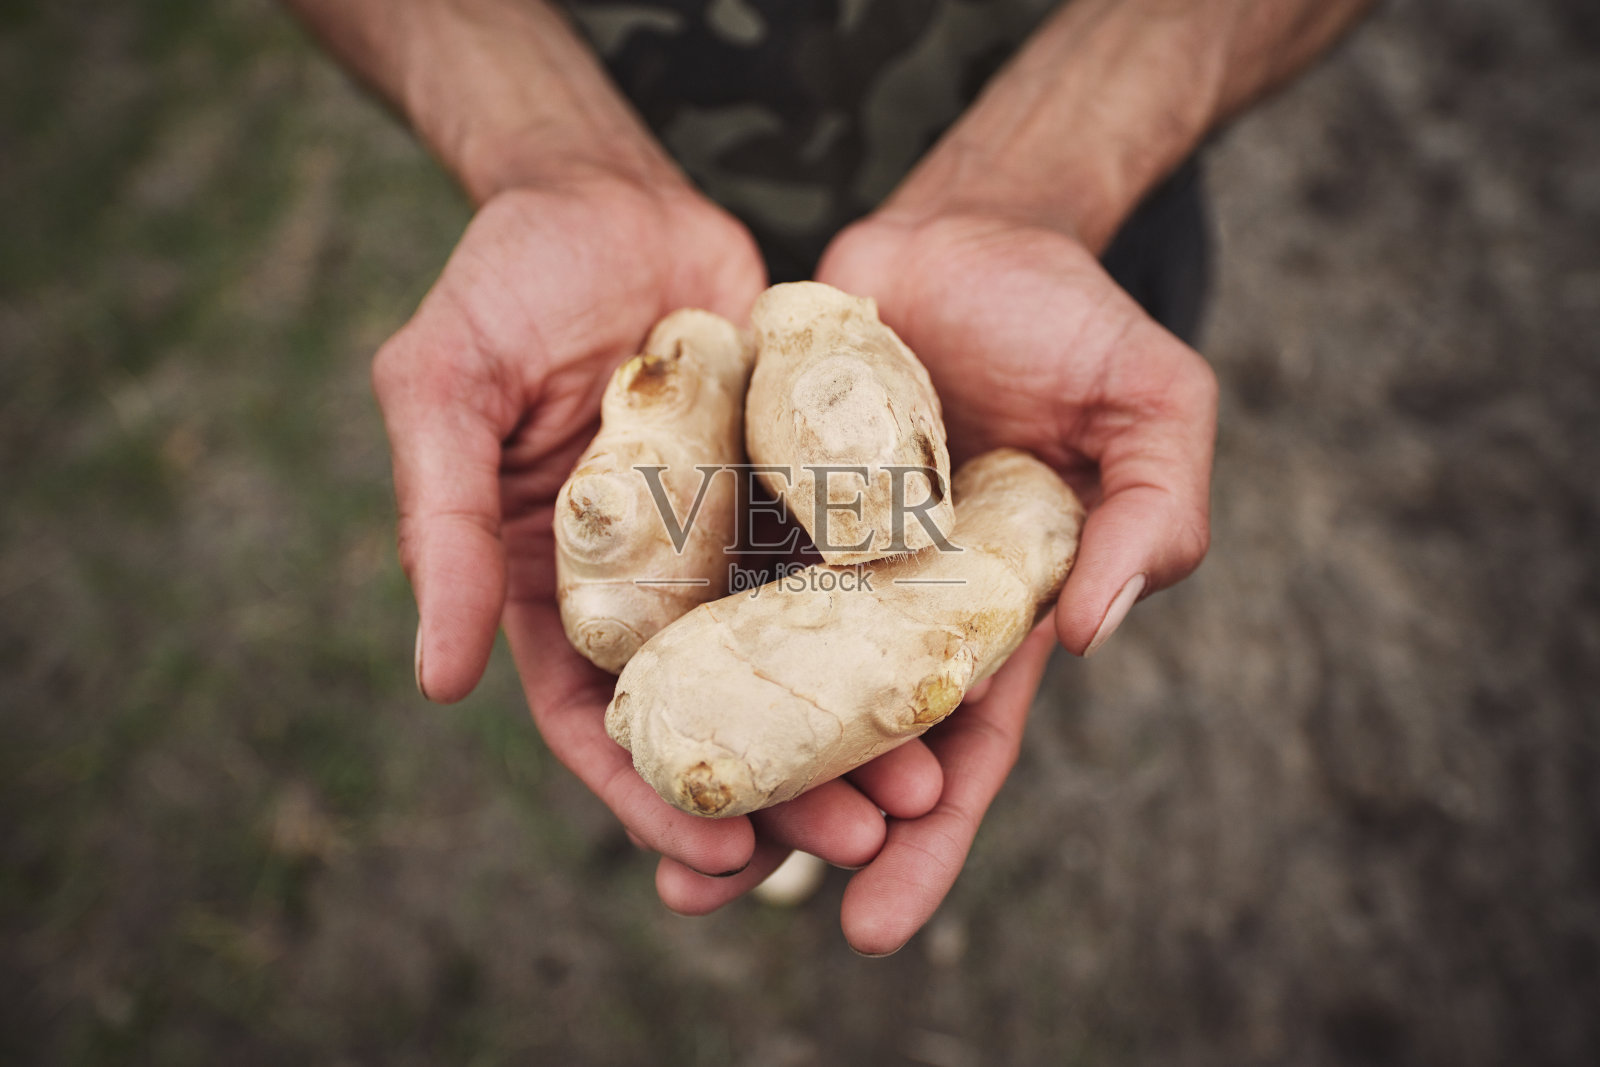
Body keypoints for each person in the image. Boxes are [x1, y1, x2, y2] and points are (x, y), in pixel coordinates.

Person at [284, 0, 1374, 956]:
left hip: (1044, 250)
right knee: (914, 603)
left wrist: (1040, 183)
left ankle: (795, 772)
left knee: (1002, 558)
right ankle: (785, 783)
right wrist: (555, 159)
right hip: (627, 224)